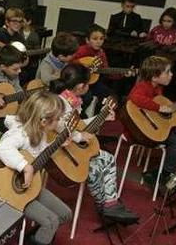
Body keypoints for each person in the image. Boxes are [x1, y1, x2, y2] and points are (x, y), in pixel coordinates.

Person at [0, 91, 72, 245]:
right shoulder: (18, 133)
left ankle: (34, 239)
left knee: (64, 214)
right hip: (14, 191)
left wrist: (56, 145)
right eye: (56, 119)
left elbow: (38, 152)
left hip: (32, 187)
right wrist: (25, 167)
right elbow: (3, 149)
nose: (59, 122)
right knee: (50, 221)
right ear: (42, 121)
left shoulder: (41, 133)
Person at [49, 64, 139, 222]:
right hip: (59, 152)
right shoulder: (61, 102)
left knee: (108, 159)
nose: (89, 86)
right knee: (96, 167)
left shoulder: (71, 99)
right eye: (87, 84)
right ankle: (105, 205)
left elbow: (78, 125)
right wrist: (78, 137)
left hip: (69, 147)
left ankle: (108, 204)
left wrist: (101, 117)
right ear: (80, 86)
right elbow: (59, 125)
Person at [126, 56, 176, 195]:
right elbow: (135, 97)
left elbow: (169, 109)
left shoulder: (158, 89)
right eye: (168, 72)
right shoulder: (143, 86)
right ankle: (161, 176)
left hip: (152, 128)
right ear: (154, 76)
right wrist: (158, 108)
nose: (171, 74)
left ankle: (159, 174)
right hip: (139, 131)